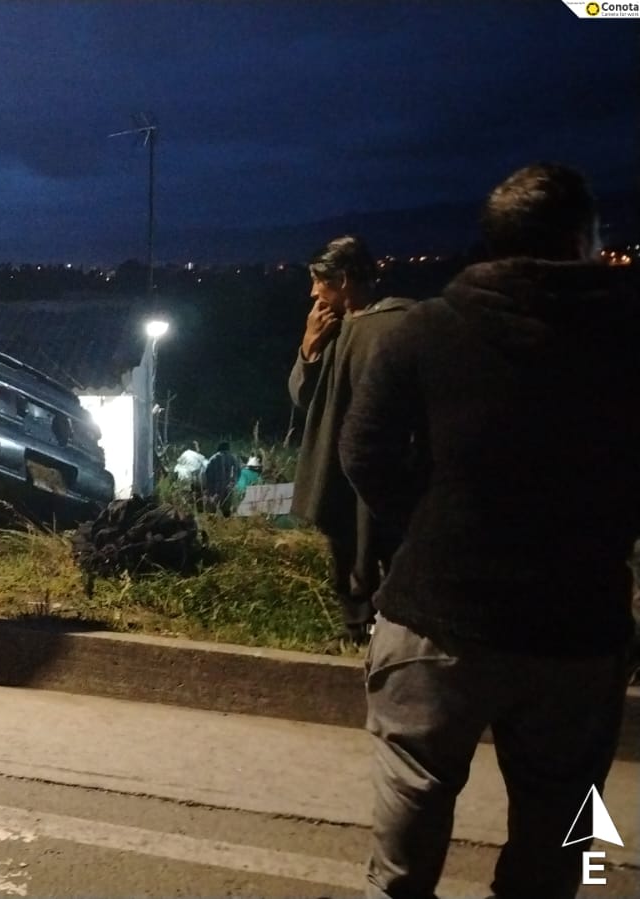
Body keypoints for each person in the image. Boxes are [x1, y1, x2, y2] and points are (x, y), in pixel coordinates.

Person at [341, 163, 640, 899]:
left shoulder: (425, 330)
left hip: (433, 616)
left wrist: (434, 525)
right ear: (580, 241)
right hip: (577, 627)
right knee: (561, 829)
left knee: (407, 823)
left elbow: (363, 453)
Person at [288, 235, 413, 646]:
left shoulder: (397, 325)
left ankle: (396, 632)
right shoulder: (334, 330)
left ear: (342, 280)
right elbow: (305, 397)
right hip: (338, 461)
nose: (313, 292)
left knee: (389, 546)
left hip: (388, 463)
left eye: (318, 282)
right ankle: (356, 628)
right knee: (346, 544)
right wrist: (309, 347)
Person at [200, 441, 241, 516]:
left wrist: (206, 487)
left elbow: (206, 473)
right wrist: (233, 482)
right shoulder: (233, 458)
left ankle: (215, 524)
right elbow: (238, 472)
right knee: (226, 508)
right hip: (228, 488)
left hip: (215, 489)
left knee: (214, 508)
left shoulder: (213, 458)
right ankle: (227, 524)